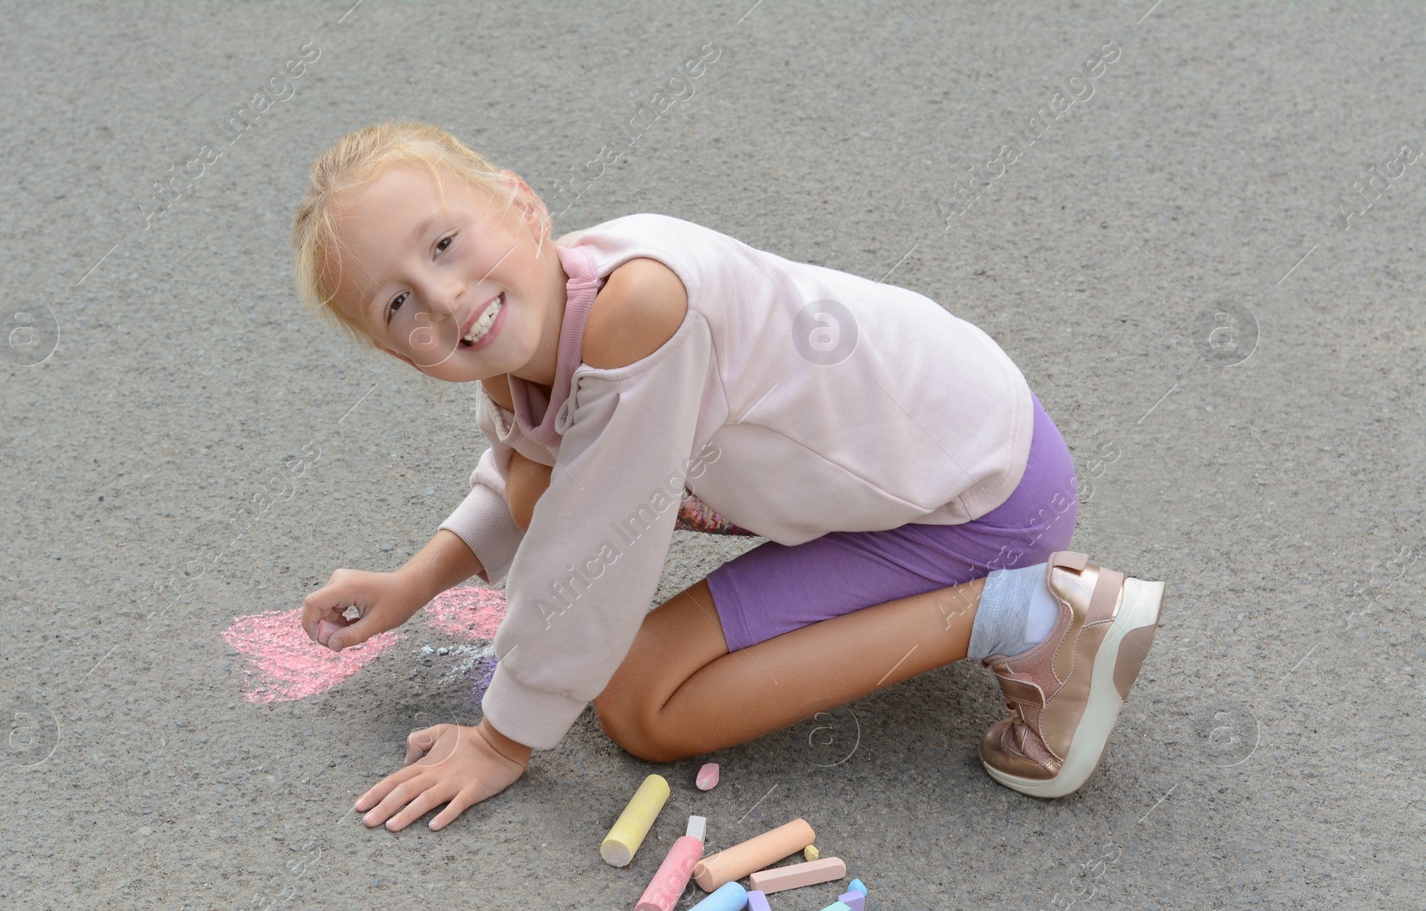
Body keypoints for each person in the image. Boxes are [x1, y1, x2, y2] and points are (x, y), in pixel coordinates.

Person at [290, 121, 1166, 833]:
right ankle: (990, 602)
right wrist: (419, 580)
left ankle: (1029, 613)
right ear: (393, 351)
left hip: (983, 502)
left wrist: (501, 739)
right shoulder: (527, 322)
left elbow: (592, 554)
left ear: (521, 204)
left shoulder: (638, 313)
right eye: (398, 304)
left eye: (443, 243)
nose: (441, 298)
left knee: (643, 707)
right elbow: (528, 469)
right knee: (590, 605)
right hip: (940, 450)